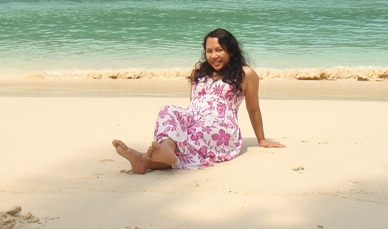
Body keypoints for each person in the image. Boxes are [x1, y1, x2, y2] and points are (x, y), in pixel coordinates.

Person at [112, 28, 285, 173]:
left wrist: (261, 139)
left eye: (219, 50)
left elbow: (253, 109)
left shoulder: (245, 74)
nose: (214, 56)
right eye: (209, 51)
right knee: (168, 110)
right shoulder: (198, 71)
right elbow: (192, 103)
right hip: (194, 118)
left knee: (190, 135)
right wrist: (182, 124)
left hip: (220, 126)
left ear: (231, 51)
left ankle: (143, 159)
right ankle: (166, 150)